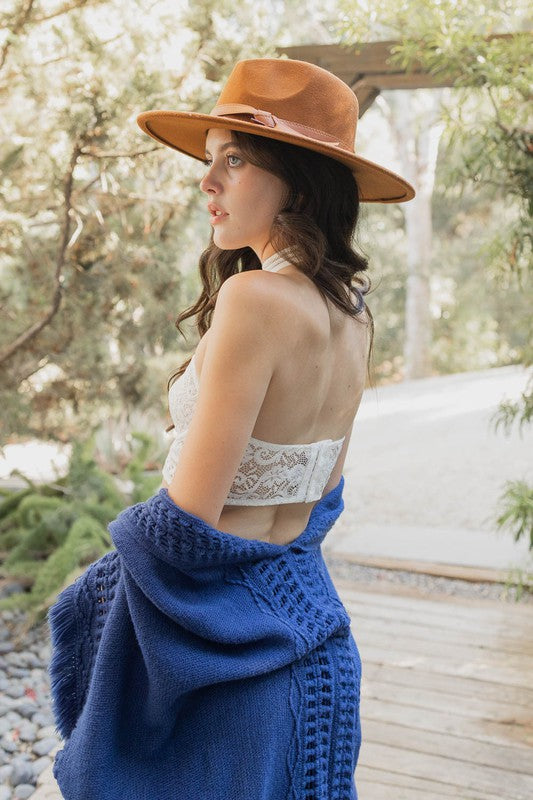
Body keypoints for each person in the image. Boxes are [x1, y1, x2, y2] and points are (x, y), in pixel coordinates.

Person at [47, 57, 415, 800]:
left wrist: (90, 590)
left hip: (228, 670)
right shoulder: (353, 314)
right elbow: (320, 505)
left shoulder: (253, 298)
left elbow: (185, 524)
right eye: (209, 160)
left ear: (298, 184)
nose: (206, 182)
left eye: (234, 160)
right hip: (312, 651)